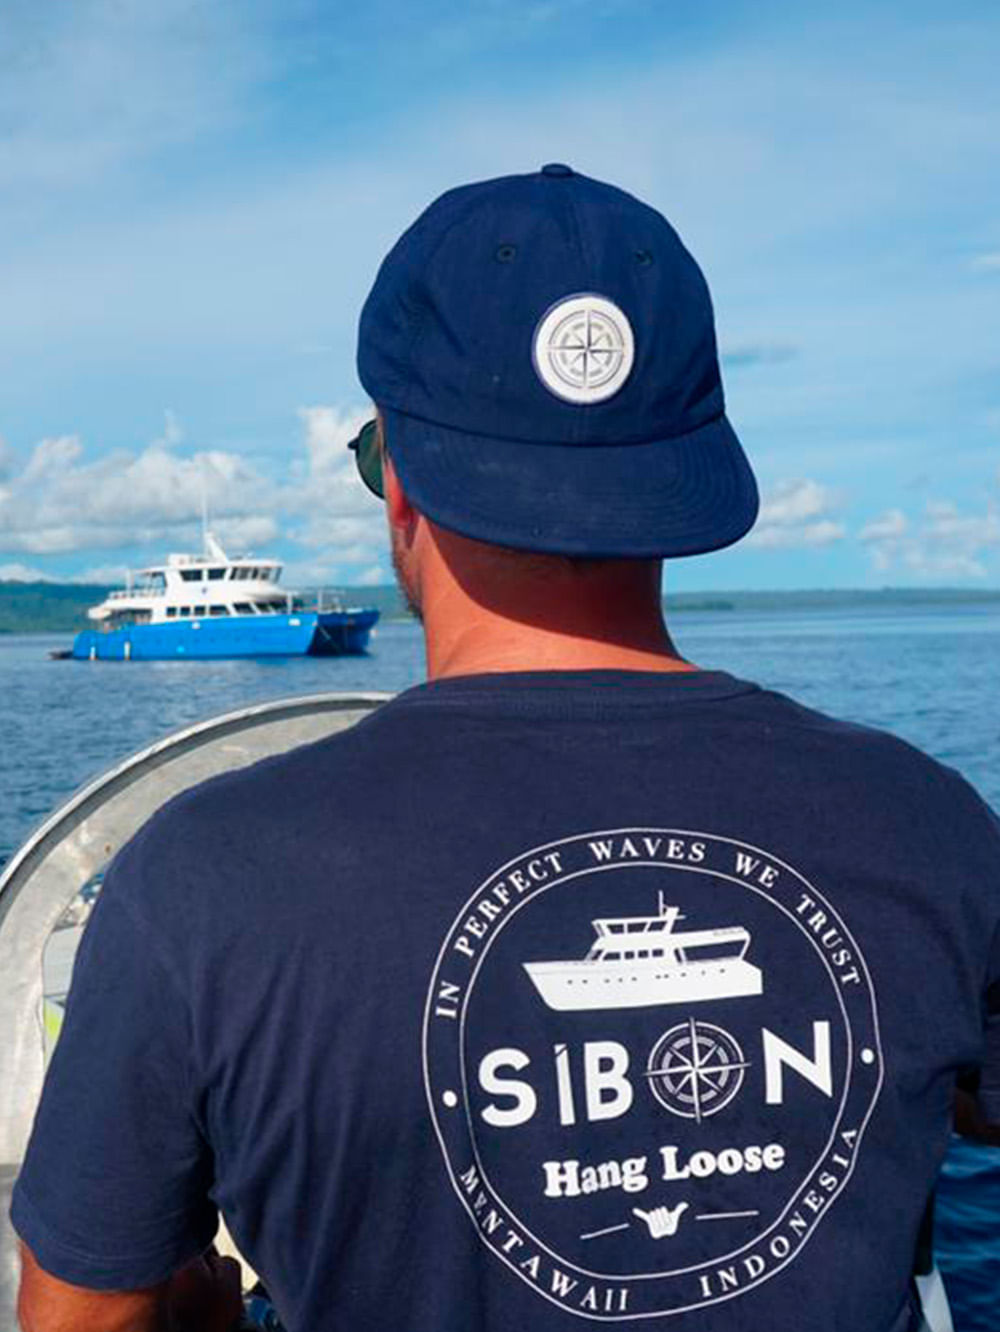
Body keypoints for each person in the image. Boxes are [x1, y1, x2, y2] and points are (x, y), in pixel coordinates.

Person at [11, 165, 1000, 1332]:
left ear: (401, 487)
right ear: (684, 476)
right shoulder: (930, 824)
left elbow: (78, 1315)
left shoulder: (201, 881)